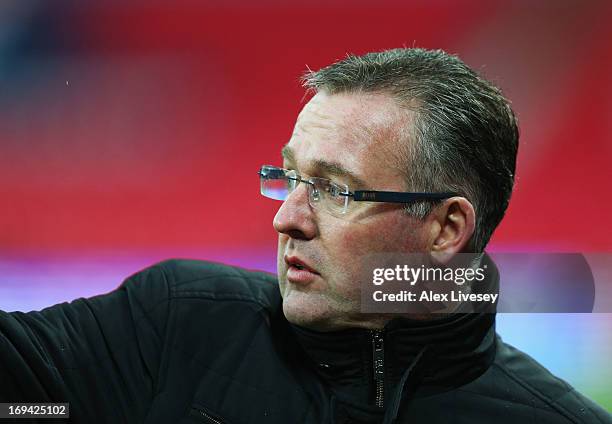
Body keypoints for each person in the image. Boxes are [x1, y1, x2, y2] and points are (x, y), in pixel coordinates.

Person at [0, 48, 609, 424]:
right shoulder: (174, 325)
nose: (286, 218)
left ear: (446, 229)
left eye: (335, 190)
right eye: (290, 177)